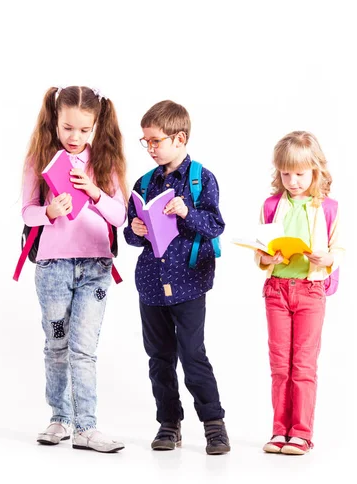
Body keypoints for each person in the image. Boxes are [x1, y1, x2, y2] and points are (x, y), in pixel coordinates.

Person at [21, 86, 128, 453]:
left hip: (96, 267)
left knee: (84, 349)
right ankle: (60, 418)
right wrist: (49, 212)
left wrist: (96, 193)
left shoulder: (106, 160)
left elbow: (121, 216)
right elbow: (27, 212)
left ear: (96, 126)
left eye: (84, 129)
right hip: (52, 268)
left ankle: (86, 427)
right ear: (56, 120)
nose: (75, 137)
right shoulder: (40, 159)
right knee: (56, 344)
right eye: (68, 128)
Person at [124, 100, 230, 454]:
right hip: (151, 284)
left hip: (189, 282)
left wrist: (187, 212)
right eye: (146, 141)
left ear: (179, 138)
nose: (150, 148)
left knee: (193, 354)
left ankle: (214, 424)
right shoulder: (144, 182)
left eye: (156, 140)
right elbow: (130, 235)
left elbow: (216, 225)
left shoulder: (201, 178)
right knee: (159, 358)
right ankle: (169, 423)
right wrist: (137, 228)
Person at [256, 131, 344, 455]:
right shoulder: (270, 205)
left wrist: (328, 258)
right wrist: (267, 258)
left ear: (315, 171)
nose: (292, 181)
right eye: (285, 173)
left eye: (300, 173)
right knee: (280, 366)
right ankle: (280, 431)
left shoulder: (329, 208)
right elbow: (261, 251)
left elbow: (340, 247)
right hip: (277, 291)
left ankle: (302, 434)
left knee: (303, 366)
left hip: (310, 291)